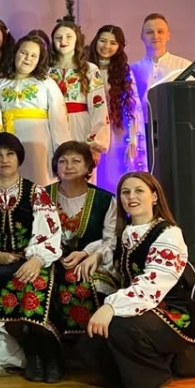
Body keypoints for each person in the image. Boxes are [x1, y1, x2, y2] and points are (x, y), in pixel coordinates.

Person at [84, 172, 195, 388]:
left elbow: (151, 286)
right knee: (90, 341)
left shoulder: (168, 235)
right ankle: (128, 375)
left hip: (170, 313)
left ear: (154, 196)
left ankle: (154, 377)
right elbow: (111, 257)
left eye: (139, 190)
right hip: (140, 309)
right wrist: (95, 256)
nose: (131, 196)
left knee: (118, 326)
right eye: (125, 192)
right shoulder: (124, 234)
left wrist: (110, 307)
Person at [0, 133, 64, 383]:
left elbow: (50, 231)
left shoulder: (36, 192)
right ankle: (32, 354)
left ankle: (51, 355)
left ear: (19, 158)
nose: (4, 159)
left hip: (33, 260)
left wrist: (36, 259)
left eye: (10, 154)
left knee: (36, 284)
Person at [47, 141, 117, 347]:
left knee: (79, 279)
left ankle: (85, 344)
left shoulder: (105, 199)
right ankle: (47, 345)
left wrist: (88, 254)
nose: (68, 166)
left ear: (88, 167)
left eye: (76, 161)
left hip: (93, 261)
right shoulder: (42, 195)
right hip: (50, 260)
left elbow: (111, 239)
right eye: (63, 161)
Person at [0, 35, 71, 186]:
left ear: (39, 60)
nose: (28, 58)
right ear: (15, 53)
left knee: (38, 183)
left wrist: (62, 153)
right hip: (8, 142)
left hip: (38, 145)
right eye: (24, 53)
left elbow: (58, 119)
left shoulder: (46, 83)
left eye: (34, 55)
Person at [48, 21, 111, 181]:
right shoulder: (45, 71)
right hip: (51, 126)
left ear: (77, 40)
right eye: (58, 37)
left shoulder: (89, 69)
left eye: (68, 36)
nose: (63, 41)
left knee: (81, 174)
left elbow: (99, 107)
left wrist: (95, 145)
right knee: (53, 175)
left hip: (80, 126)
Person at [88, 25, 146, 193]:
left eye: (113, 43)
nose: (107, 46)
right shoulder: (85, 68)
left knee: (113, 177)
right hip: (90, 128)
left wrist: (133, 140)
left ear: (119, 46)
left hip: (116, 130)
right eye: (103, 41)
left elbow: (133, 108)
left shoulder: (123, 72)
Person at [130, 13, 193, 123]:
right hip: (143, 129)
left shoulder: (185, 67)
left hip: (176, 127)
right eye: (149, 32)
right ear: (142, 36)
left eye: (160, 31)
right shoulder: (132, 70)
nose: (155, 36)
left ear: (168, 35)